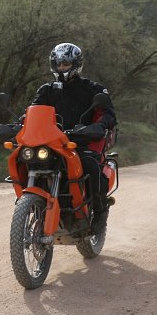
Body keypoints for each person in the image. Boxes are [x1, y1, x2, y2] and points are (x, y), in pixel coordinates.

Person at [31, 42, 117, 232]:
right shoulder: (46, 90)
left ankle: (100, 212)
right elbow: (32, 112)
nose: (61, 68)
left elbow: (108, 114)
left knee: (90, 165)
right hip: (52, 142)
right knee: (28, 159)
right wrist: (18, 124)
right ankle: (34, 205)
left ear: (75, 64)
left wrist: (99, 126)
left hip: (81, 141)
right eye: (58, 64)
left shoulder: (93, 89)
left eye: (65, 64)